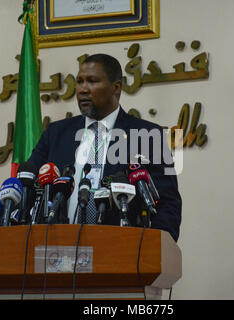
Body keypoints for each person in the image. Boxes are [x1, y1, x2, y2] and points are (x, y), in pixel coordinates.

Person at [28, 53, 182, 241]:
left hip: (121, 251)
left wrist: (156, 247)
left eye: (92, 81)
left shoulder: (148, 136)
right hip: (56, 250)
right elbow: (27, 185)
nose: (82, 89)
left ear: (116, 88)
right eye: (79, 81)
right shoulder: (56, 134)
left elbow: (167, 203)